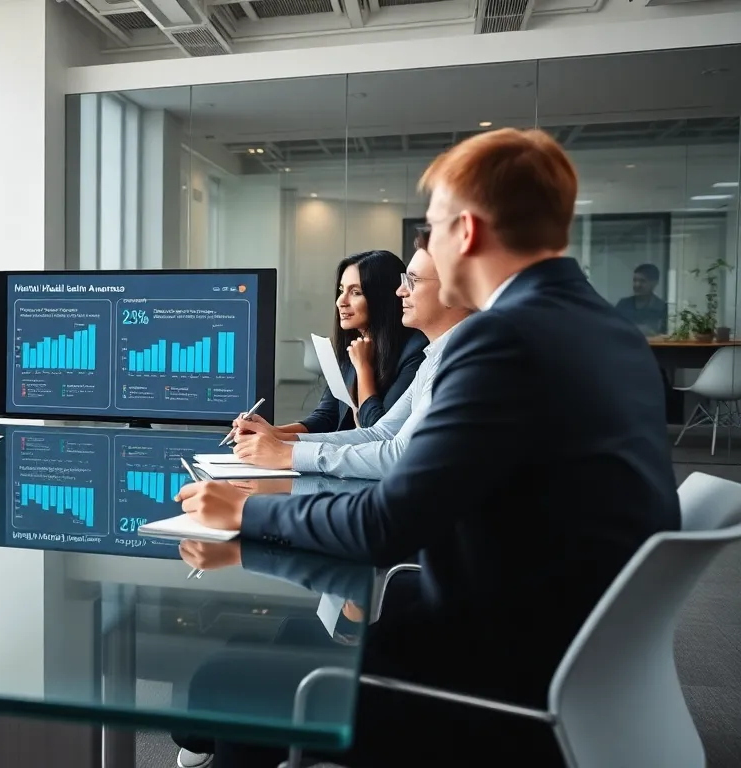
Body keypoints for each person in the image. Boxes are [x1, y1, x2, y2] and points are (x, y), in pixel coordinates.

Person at [174, 128, 680, 766]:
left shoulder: (501, 339)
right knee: (251, 667)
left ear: (464, 232)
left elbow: (388, 521)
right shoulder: (615, 333)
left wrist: (244, 512)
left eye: (431, 229)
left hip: (487, 687)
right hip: (573, 664)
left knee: (225, 684)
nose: (424, 250)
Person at [230, 239, 473, 480]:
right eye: (341, 291)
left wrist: (289, 454)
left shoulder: (455, 359)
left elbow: (399, 454)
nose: (401, 291)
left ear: (453, 289)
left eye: (413, 280)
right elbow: (381, 432)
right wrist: (279, 439)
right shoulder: (435, 355)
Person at [276, 250, 426, 435]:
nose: (341, 301)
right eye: (341, 290)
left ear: (383, 298)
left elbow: (376, 432)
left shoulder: (416, 352)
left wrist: (364, 369)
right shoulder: (352, 345)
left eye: (355, 292)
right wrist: (271, 432)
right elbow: (325, 418)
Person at [615, 262, 669, 336]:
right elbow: (613, 328)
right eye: (635, 280)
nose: (637, 285)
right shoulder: (623, 304)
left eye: (642, 281)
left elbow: (664, 335)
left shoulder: (662, 307)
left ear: (654, 283)